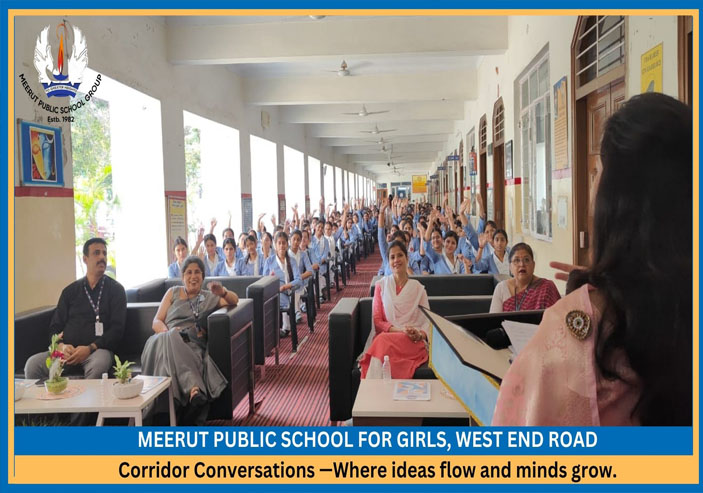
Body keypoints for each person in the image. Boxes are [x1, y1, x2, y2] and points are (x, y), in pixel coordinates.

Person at [493, 93, 692, 426]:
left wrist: (600, 300)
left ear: (616, 203)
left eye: (598, 170)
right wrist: (620, 283)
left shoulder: (574, 328)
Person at [140, 256, 239, 425]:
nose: (193, 276)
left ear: (203, 276)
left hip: (190, 343)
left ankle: (163, 415)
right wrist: (168, 333)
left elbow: (234, 300)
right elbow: (156, 321)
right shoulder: (172, 293)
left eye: (197, 272)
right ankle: (193, 390)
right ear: (182, 276)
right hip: (162, 339)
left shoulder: (208, 297)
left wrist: (222, 292)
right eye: (189, 272)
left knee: (170, 352)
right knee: (170, 339)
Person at [24, 238, 126, 381]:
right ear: (85, 259)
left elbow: (117, 330)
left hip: (96, 351)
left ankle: (86, 397)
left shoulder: (116, 290)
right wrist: (61, 346)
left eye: (104, 253)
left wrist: (89, 348)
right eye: (96, 253)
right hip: (66, 354)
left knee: (98, 365)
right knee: (33, 365)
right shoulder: (70, 291)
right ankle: (53, 396)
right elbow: (55, 328)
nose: (102, 257)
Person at [359, 241, 430, 379]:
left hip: (412, 341)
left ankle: (372, 388)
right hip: (389, 338)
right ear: (388, 262)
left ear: (407, 258)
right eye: (392, 257)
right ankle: (376, 389)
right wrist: (401, 331)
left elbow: (427, 322)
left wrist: (419, 335)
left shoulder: (418, 288)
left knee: (381, 343)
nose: (396, 260)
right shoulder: (381, 285)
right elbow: (377, 321)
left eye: (400, 255)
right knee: (381, 341)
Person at [489, 243, 560, 313]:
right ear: (510, 267)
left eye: (526, 260)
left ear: (533, 265)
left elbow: (556, 317)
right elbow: (494, 319)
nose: (522, 264)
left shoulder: (547, 287)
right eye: (517, 260)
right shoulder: (501, 288)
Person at [264, 232, 302, 338]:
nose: (281, 246)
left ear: (287, 244)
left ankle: (283, 328)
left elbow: (298, 280)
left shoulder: (292, 261)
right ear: (275, 245)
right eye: (279, 243)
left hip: (289, 292)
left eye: (284, 243)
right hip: (274, 293)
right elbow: (264, 281)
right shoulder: (269, 261)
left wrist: (286, 286)